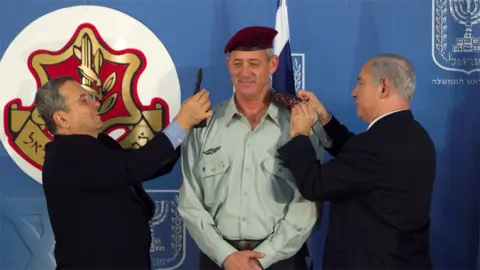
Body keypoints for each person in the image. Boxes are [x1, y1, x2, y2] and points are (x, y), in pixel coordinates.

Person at [178, 26, 329, 270]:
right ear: (228, 65)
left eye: (254, 63)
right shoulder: (203, 125)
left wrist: (264, 258)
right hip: (219, 260)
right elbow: (190, 200)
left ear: (273, 65)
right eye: (237, 63)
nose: (244, 72)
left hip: (281, 261)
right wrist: (226, 255)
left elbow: (308, 201)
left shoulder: (299, 124)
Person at [35, 76, 212, 270]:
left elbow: (150, 166)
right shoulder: (64, 157)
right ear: (61, 119)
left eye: (91, 97)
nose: (96, 103)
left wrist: (185, 131)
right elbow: (135, 166)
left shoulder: (101, 144)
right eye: (84, 101)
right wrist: (182, 122)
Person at [277, 54, 436, 269]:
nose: (354, 92)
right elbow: (358, 161)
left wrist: (299, 135)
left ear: (383, 87)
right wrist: (324, 118)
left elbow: (314, 184)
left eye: (360, 83)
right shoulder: (416, 136)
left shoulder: (374, 146)